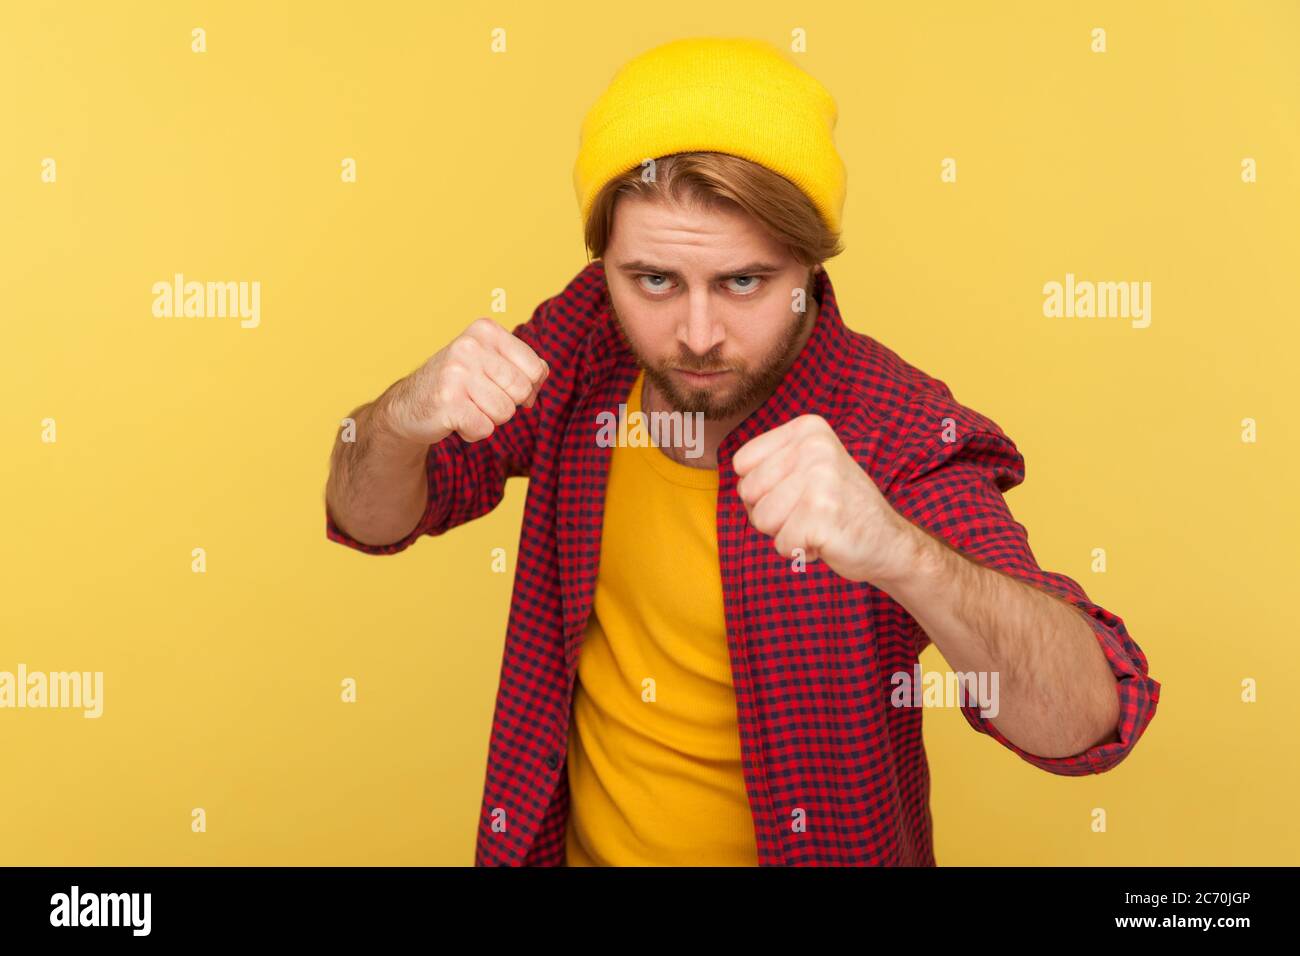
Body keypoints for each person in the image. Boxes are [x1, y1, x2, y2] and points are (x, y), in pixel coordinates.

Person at [323, 37, 1159, 866]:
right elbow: (369, 518)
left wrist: (902, 554)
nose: (695, 334)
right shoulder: (585, 339)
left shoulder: (896, 424)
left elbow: (1088, 720)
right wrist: (400, 418)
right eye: (653, 280)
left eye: (744, 282)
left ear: (811, 264)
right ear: (604, 263)